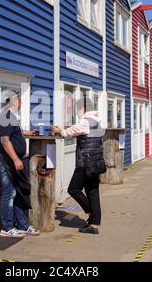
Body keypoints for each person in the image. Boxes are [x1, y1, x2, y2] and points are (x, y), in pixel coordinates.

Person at [52, 97, 104, 235]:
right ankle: (94, 224)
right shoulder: (98, 122)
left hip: (84, 163)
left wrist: (59, 131)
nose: (77, 110)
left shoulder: (86, 121)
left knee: (73, 189)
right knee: (93, 192)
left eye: (78, 107)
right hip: (95, 162)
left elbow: (70, 132)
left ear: (84, 108)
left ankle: (91, 212)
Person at [0, 91, 40, 237]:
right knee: (9, 193)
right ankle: (6, 228)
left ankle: (22, 225)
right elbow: (5, 140)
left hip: (13, 161)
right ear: (13, 101)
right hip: (6, 161)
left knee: (18, 193)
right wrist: (16, 159)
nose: (21, 101)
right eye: (19, 98)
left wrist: (28, 133)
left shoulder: (12, 117)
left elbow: (14, 133)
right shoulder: (5, 116)